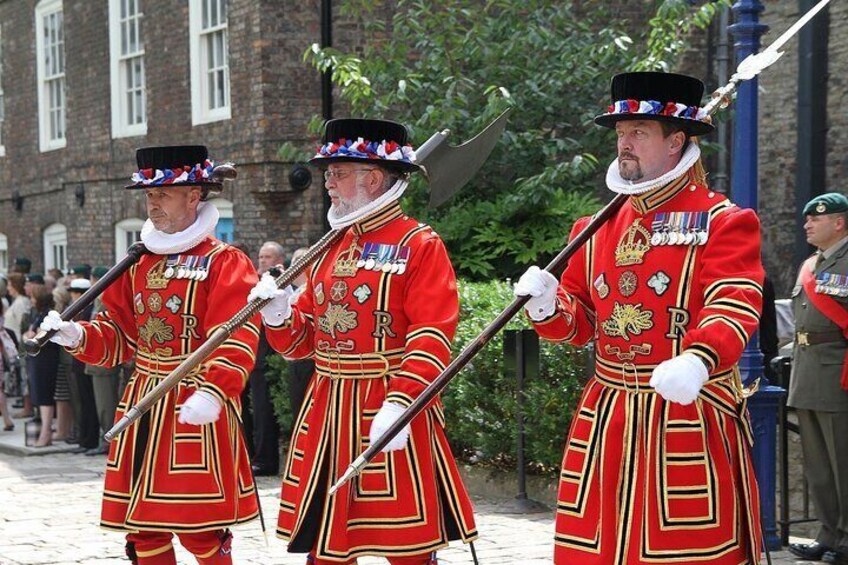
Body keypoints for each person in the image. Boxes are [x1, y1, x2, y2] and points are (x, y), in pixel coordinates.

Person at [514, 72, 765, 564]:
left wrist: (698, 358)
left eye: (639, 133)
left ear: (676, 141)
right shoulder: (593, 227)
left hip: (685, 413)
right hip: (608, 415)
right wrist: (547, 305)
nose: (624, 144)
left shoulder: (723, 219)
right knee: (598, 549)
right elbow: (583, 322)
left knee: (685, 553)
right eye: (620, 133)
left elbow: (734, 301)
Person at [250, 118, 478, 564]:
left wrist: (402, 402)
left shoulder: (419, 244)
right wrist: (277, 315)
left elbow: (432, 333)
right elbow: (301, 344)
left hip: (389, 403)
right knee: (327, 545)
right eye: (328, 173)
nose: (328, 184)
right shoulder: (327, 248)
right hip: (329, 410)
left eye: (337, 172)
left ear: (372, 178)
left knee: (407, 545)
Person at [40, 145, 260, 564]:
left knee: (200, 530)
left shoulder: (224, 261)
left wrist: (215, 391)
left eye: (162, 192)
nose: (152, 202)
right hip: (142, 404)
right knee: (142, 533)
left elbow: (236, 333)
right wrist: (75, 334)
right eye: (148, 194)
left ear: (194, 196)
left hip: (195, 402)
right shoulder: (139, 263)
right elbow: (119, 334)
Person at [786, 193, 848, 565]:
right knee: (818, 463)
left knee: (843, 459)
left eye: (816, 219)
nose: (807, 224)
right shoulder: (811, 265)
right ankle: (828, 533)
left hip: (837, 371)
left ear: (838, 222)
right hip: (808, 371)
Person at [245, 241, 285, 476]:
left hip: (269, 357)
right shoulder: (256, 283)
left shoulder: (280, 281)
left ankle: (265, 459)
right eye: (260, 256)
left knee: (264, 412)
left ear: (279, 260)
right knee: (250, 413)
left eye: (267, 257)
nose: (262, 261)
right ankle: (253, 454)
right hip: (253, 357)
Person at [24, 285, 60, 447]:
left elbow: (38, 336)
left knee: (44, 396)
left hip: (45, 360)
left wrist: (30, 336)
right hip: (37, 360)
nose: (31, 300)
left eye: (33, 297)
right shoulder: (38, 314)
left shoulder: (48, 315)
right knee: (38, 395)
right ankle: (44, 432)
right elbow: (28, 334)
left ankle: (46, 433)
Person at [286, 247, 314, 427]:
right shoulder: (293, 293)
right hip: (295, 362)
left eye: (302, 261)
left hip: (311, 361)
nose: (296, 266)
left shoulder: (309, 290)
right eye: (295, 261)